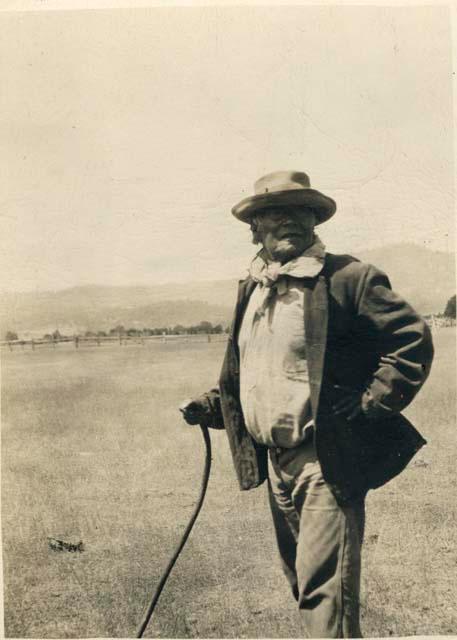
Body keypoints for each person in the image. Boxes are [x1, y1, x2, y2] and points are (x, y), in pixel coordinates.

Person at [180, 170, 434, 639]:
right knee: (304, 584)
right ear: (253, 227)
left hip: (326, 459)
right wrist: (212, 406)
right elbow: (252, 372)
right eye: (277, 212)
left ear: (316, 221)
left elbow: (411, 341)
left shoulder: (347, 278)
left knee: (325, 594)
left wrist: (368, 405)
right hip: (276, 465)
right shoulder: (253, 290)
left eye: (304, 211)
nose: (293, 221)